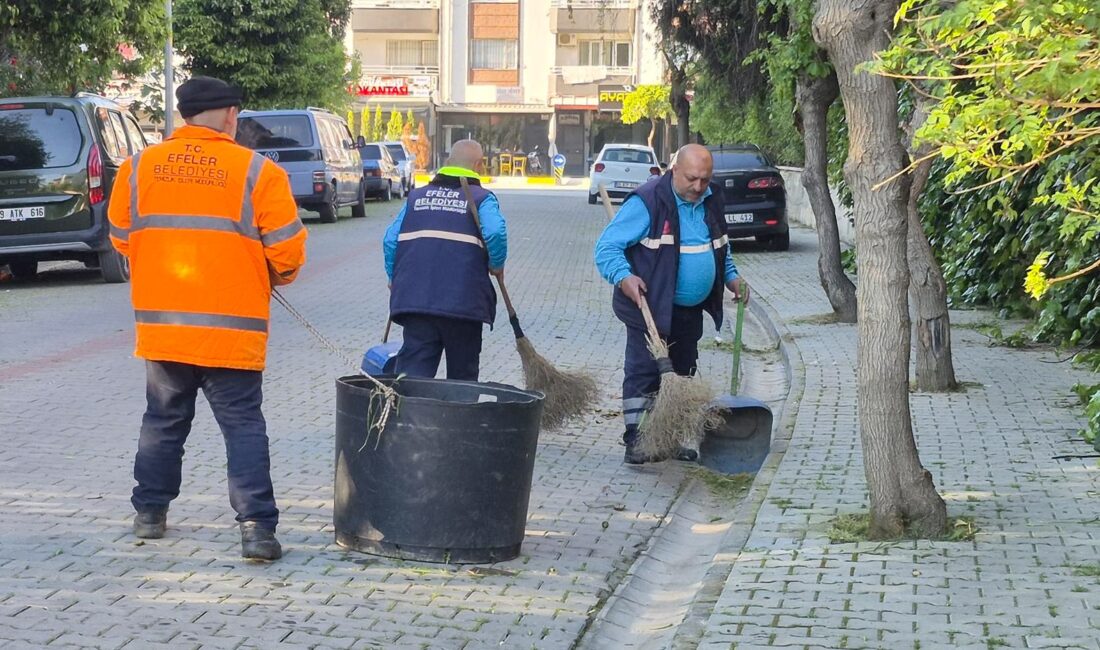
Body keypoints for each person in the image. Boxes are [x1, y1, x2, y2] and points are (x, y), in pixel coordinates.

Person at [107, 76, 307, 560]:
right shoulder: (258, 172)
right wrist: (263, 273)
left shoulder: (137, 168)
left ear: (184, 115)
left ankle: (150, 513)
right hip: (232, 333)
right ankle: (257, 528)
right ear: (231, 115)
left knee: (163, 421)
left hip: (165, 327)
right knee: (242, 426)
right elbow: (288, 254)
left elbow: (120, 237)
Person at [594, 144, 750, 465]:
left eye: (705, 180)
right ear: (674, 169)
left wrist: (731, 277)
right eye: (692, 179)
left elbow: (721, 247)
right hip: (648, 305)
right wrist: (624, 277)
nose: (698, 187)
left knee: (683, 369)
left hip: (688, 309)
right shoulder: (649, 201)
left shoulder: (710, 200)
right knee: (643, 372)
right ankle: (637, 440)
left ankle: (672, 436)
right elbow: (607, 248)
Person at [383, 139, 507, 381]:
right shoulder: (482, 198)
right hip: (463, 305)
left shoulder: (416, 197)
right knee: (462, 381)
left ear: (448, 162)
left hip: (416, 302)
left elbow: (390, 240)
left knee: (411, 382)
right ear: (479, 165)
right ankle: (459, 417)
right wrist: (497, 263)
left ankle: (410, 417)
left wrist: (392, 276)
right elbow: (494, 232)